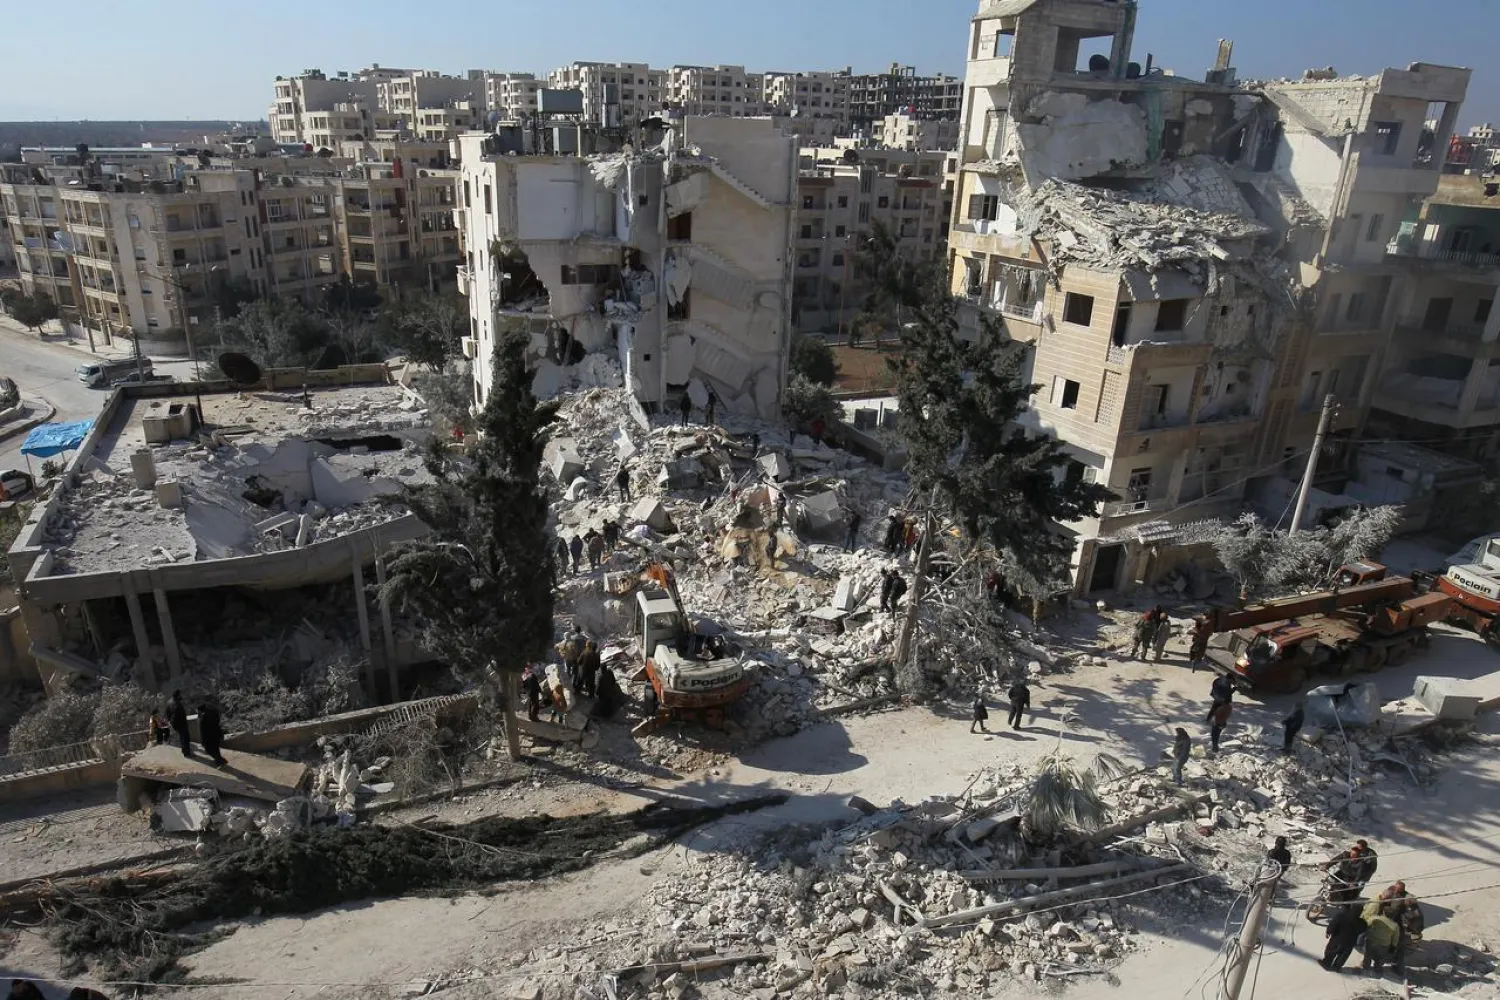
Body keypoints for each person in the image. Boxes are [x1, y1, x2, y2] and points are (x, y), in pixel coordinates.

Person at [1320, 902, 1366, 973]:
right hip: (1349, 943)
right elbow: (1363, 929)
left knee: (1331, 951)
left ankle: (1326, 963)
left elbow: (1333, 924)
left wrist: (1328, 932)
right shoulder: (1361, 923)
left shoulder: (1341, 916)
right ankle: (1337, 967)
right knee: (1343, 956)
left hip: (1337, 939)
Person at [198, 701, 226, 767]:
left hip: (209, 737)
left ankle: (220, 761)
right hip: (217, 733)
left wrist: (203, 741)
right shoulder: (214, 712)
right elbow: (218, 722)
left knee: (208, 750)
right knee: (216, 749)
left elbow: (203, 731)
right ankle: (218, 761)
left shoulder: (203, 719)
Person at [169, 690, 192, 758]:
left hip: (179, 725)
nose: (181, 696)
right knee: (185, 738)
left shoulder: (175, 702)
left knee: (183, 738)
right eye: (180, 694)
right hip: (181, 724)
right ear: (178, 696)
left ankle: (184, 751)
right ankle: (187, 753)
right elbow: (176, 715)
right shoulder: (177, 704)